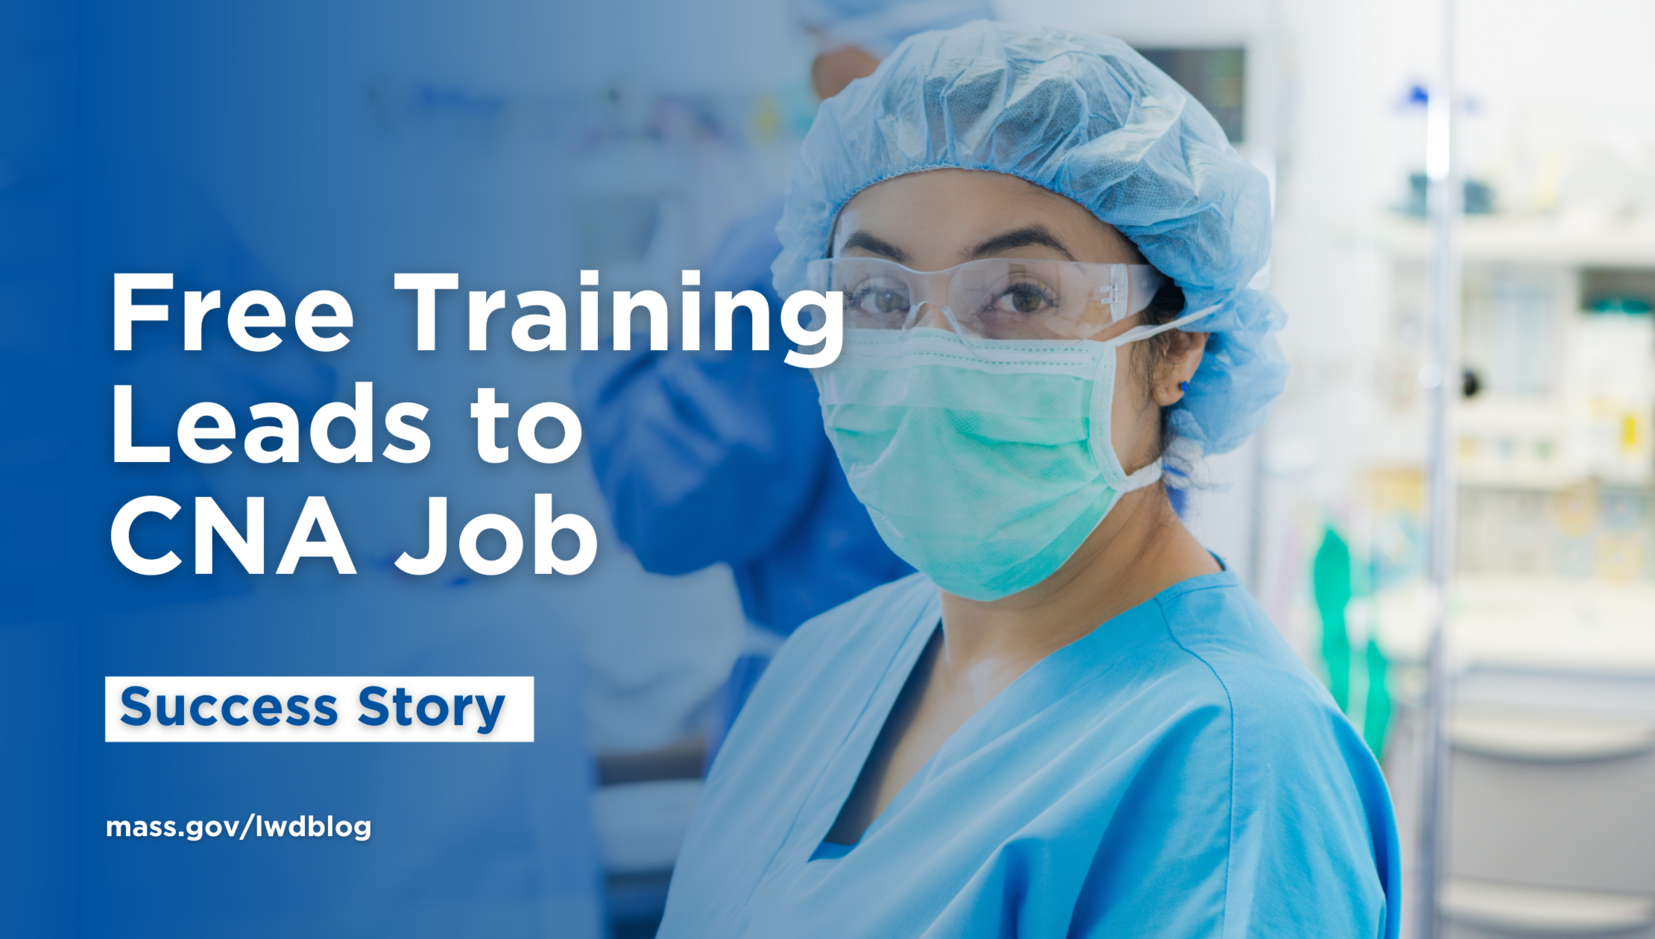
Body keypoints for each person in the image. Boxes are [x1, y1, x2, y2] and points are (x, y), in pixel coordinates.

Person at [658, 21, 1399, 937]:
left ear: (1178, 345)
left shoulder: (1232, 766)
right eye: (878, 297)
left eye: (1020, 295)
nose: (927, 358)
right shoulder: (822, 663)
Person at [572, 0, 992, 751]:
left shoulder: (798, 254)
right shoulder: (1040, 239)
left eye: (812, 42)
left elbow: (666, 510)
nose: (808, 72)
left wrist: (616, 304)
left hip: (824, 727)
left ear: (852, 60)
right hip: (998, 706)